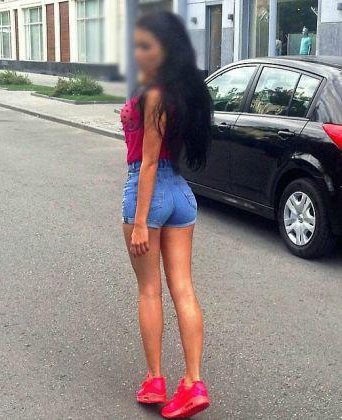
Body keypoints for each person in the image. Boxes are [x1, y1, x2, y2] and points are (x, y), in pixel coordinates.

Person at [120, 10, 213, 419]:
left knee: (149, 291)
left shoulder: (157, 94)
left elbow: (149, 162)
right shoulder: (183, 90)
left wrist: (141, 221)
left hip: (150, 190)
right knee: (184, 289)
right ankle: (193, 382)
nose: (137, 53)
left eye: (145, 46)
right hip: (181, 194)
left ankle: (156, 379)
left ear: (166, 48)